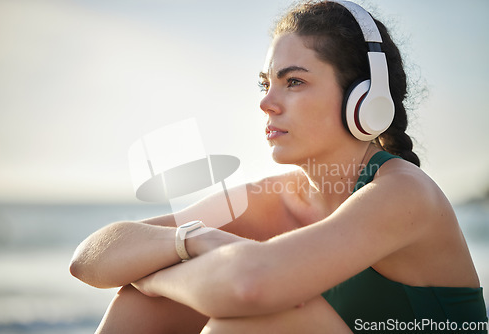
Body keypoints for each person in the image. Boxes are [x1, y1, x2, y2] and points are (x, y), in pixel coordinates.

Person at [70, 1, 488, 333]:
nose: (266, 102)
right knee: (144, 302)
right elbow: (90, 257)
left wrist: (158, 274)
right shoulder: (272, 198)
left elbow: (250, 285)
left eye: (294, 82)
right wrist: (191, 242)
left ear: (365, 100)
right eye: (265, 83)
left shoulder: (403, 193)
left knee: (253, 321)